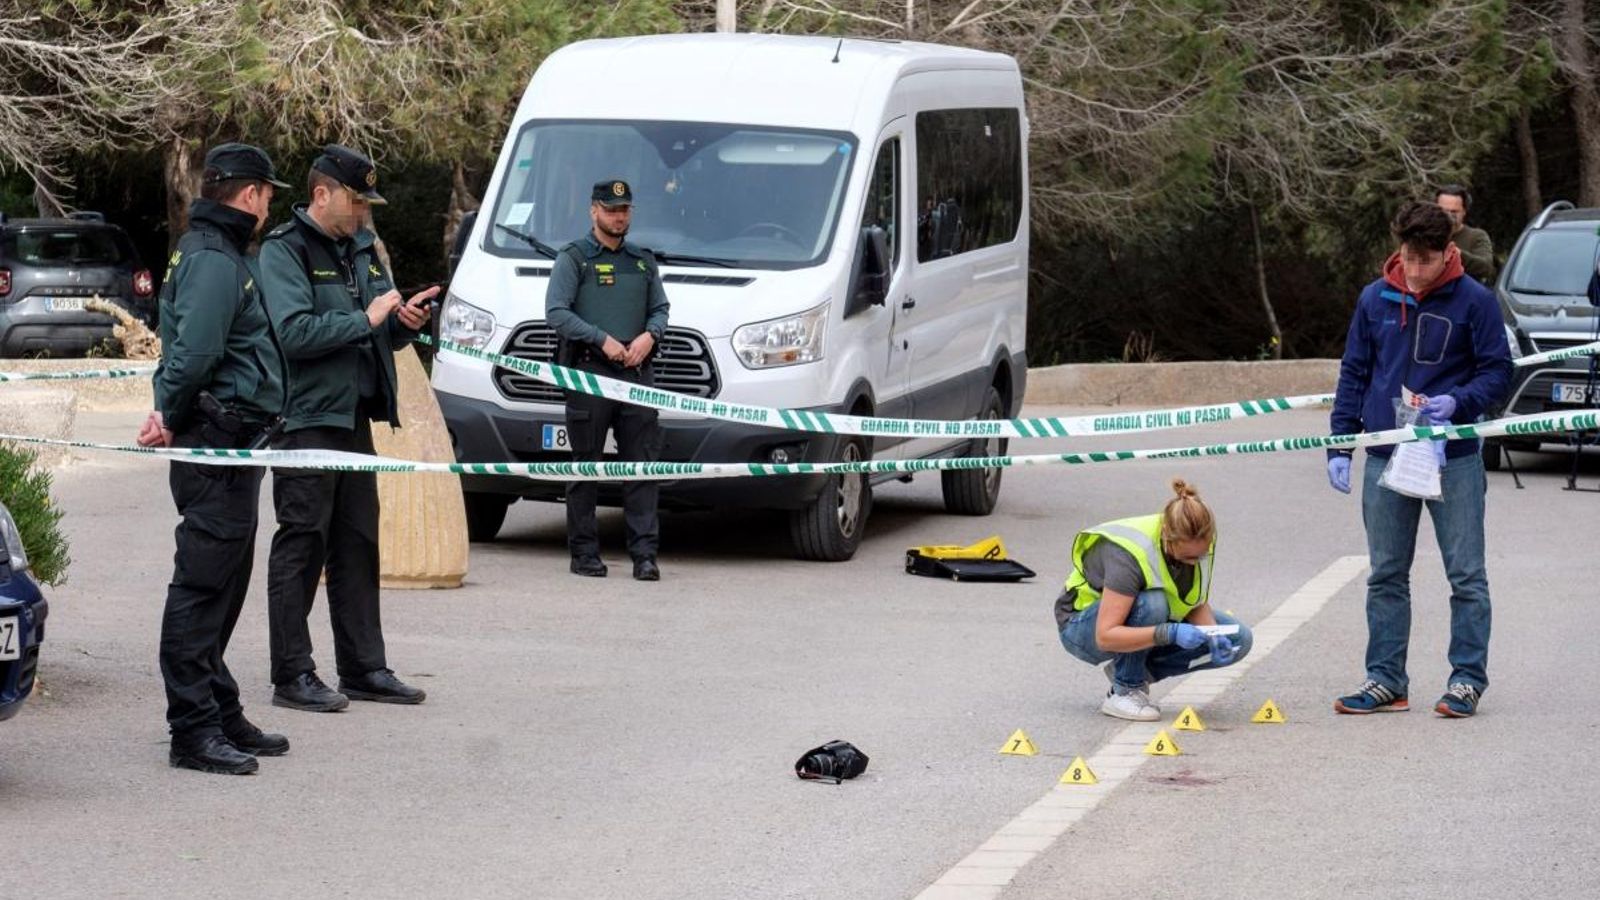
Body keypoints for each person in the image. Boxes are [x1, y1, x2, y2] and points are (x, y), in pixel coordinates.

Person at [257, 145, 438, 712]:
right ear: (322, 194)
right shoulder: (283, 251)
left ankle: (364, 668)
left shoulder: (361, 247)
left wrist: (403, 325)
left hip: (355, 418)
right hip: (308, 419)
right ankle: (293, 674)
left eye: (366, 201)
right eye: (356, 200)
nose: (363, 211)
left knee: (358, 545)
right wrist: (366, 319)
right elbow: (294, 334)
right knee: (302, 544)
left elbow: (378, 330)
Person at [139, 142, 291, 774]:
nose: (267, 205)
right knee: (203, 587)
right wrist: (168, 414)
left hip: (233, 442)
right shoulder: (212, 257)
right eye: (267, 195)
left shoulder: (218, 250)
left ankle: (218, 706)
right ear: (251, 194)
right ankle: (192, 729)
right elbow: (195, 354)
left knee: (225, 585)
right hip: (214, 440)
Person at [1326, 199, 1511, 718]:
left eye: (1426, 260)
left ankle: (1467, 680)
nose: (1414, 270)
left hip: (1451, 455)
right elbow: (1355, 373)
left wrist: (1460, 401)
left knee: (1466, 575)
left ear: (1448, 252)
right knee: (1385, 572)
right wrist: (1341, 443)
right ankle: (1386, 680)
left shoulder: (1474, 300)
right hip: (1387, 452)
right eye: (1407, 257)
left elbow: (1498, 371)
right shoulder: (1374, 298)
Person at [545, 179, 670, 581]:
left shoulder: (641, 261)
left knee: (642, 468)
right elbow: (556, 313)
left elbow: (661, 309)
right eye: (612, 209)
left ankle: (645, 555)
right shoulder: (574, 258)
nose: (619, 217)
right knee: (585, 469)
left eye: (625, 210)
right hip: (590, 373)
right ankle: (584, 553)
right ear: (593, 211)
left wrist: (650, 335)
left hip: (636, 372)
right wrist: (603, 340)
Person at [1055, 479, 1253, 721]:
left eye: (1201, 555)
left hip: (1141, 618)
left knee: (1238, 640)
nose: (1195, 561)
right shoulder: (1129, 554)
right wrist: (1168, 633)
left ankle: (1130, 671)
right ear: (1167, 537)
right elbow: (1105, 636)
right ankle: (1124, 690)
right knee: (1153, 602)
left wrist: (1212, 634)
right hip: (1082, 627)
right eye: (1189, 557)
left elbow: (1192, 599)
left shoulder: (1199, 540)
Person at [1435, 184, 1494, 284]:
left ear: (1464, 212)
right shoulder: (1425, 234)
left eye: (1454, 212)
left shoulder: (1476, 236)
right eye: (1443, 211)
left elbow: (1486, 267)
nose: (1448, 216)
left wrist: (1456, 254)